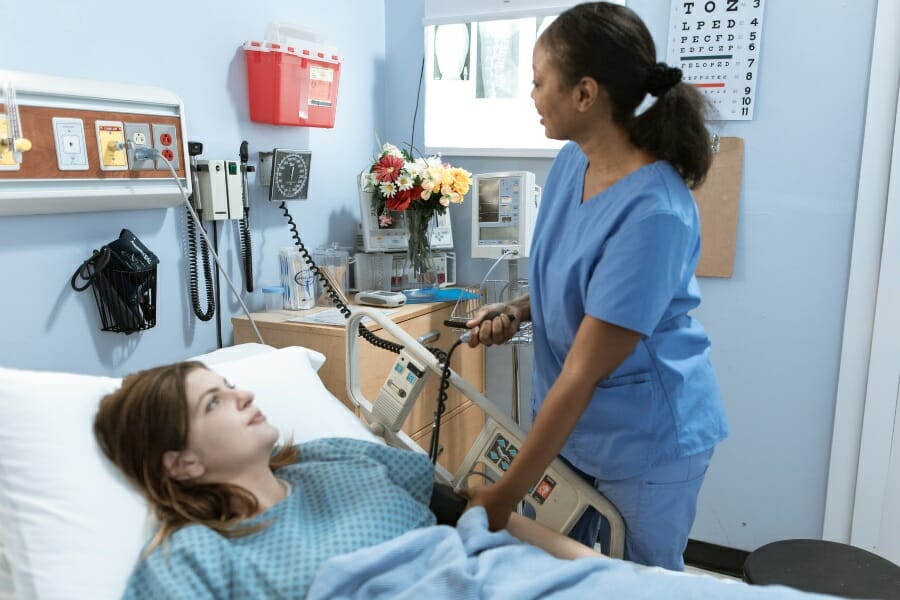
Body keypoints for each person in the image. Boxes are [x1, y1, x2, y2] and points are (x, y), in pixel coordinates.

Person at [463, 2, 729, 571]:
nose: (531, 96)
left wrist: (504, 498)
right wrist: (518, 308)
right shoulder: (569, 164)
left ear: (585, 94)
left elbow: (584, 370)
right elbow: (578, 285)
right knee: (573, 574)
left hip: (644, 440)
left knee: (638, 581)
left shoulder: (654, 212)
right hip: (579, 429)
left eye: (539, 82)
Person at [93, 360, 600, 599]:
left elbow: (473, 514)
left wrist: (593, 567)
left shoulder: (332, 459)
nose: (243, 396)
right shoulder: (193, 555)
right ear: (182, 464)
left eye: (229, 386)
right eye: (214, 403)